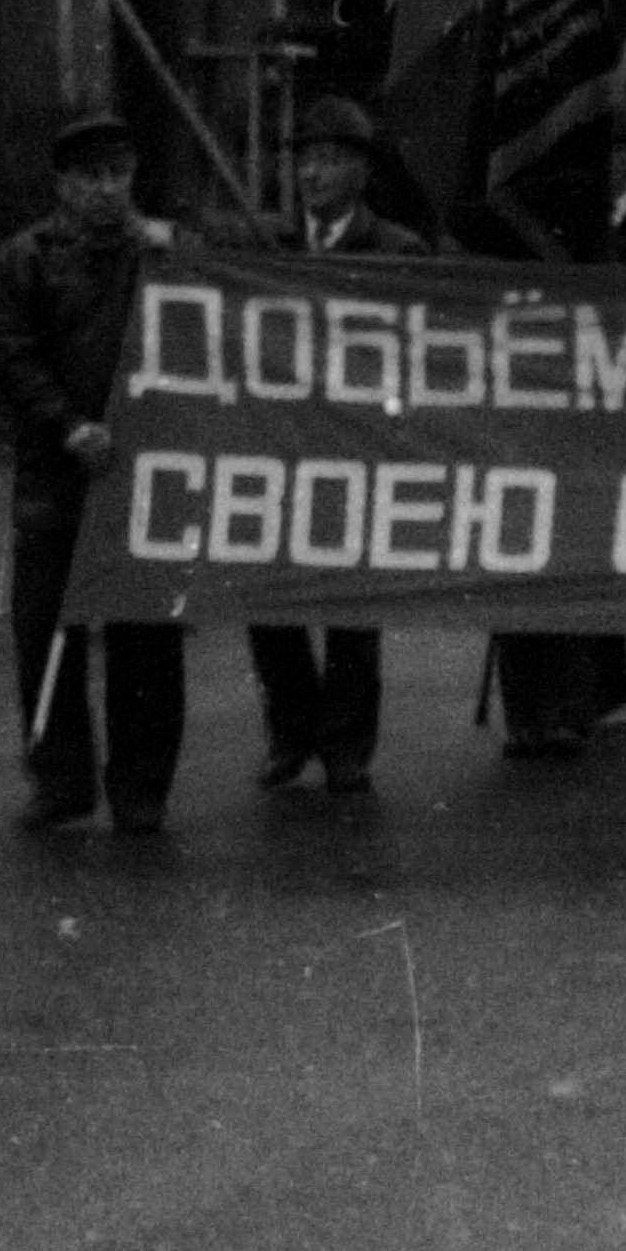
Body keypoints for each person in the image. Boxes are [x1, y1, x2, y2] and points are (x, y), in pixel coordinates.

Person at [0, 114, 188, 833]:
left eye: (118, 174)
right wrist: (68, 425)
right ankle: (60, 780)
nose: (107, 190)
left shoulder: (162, 255)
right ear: (63, 185)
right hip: (56, 473)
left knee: (145, 640)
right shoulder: (27, 259)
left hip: (143, 474)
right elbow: (14, 356)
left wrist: (181, 254)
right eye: (91, 177)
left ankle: (142, 789)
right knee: (46, 636)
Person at [251, 104, 415, 790]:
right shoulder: (263, 243)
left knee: (351, 606)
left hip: (357, 449)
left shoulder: (398, 252)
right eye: (304, 159)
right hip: (277, 446)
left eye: (329, 159)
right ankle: (290, 735)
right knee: (268, 598)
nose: (312, 173)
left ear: (361, 171)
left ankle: (347, 744)